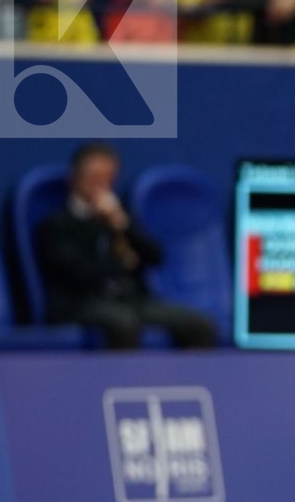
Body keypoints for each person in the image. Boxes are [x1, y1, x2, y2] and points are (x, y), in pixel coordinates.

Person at [36, 143, 219, 350]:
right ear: (75, 178)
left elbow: (155, 256)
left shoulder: (119, 219)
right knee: (124, 323)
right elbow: (78, 271)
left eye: (107, 179)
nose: (101, 186)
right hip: (82, 303)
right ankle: (123, 381)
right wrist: (122, 261)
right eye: (94, 178)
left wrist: (122, 226)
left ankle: (187, 380)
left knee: (199, 325)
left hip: (131, 300)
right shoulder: (56, 225)